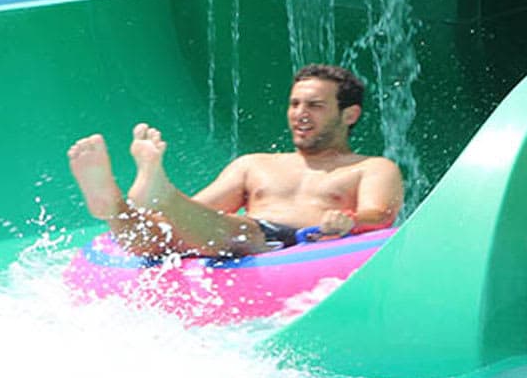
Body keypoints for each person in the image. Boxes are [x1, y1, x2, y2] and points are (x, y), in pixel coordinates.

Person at [67, 64, 404, 258]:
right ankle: (112, 205)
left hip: (301, 239)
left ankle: (157, 193)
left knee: (241, 232)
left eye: (314, 106)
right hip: (244, 233)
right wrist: (159, 216)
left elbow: (381, 215)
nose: (299, 114)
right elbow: (196, 209)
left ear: (349, 114)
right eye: (294, 104)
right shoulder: (255, 164)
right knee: (159, 235)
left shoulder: (370, 167)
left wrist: (348, 220)